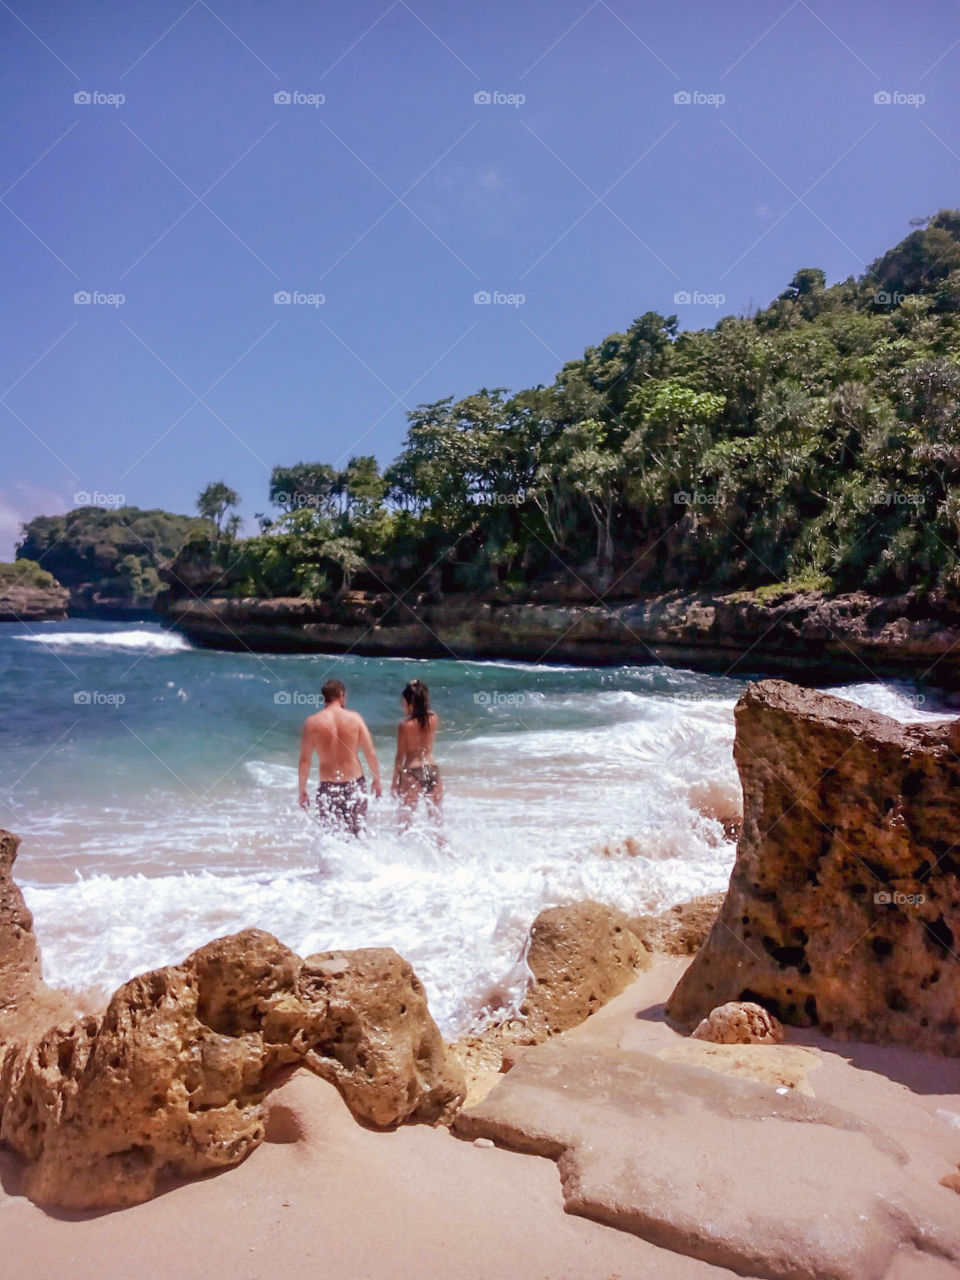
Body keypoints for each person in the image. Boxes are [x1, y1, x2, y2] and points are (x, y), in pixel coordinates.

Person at [298, 678, 382, 836]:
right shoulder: (355, 718)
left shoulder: (312, 723)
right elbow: (370, 752)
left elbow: (305, 761)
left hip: (328, 787)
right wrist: (377, 780)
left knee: (332, 837)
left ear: (324, 698)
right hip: (355, 784)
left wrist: (302, 790)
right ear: (342, 695)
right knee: (359, 834)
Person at [392, 679, 443, 827]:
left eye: (404, 702)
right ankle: (443, 850)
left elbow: (400, 756)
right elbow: (423, 699)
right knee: (436, 822)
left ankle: (404, 850)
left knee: (405, 823)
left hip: (412, 771)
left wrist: (395, 782)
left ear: (410, 704)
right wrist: (417, 686)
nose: (402, 705)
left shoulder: (405, 725)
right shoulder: (433, 719)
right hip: (432, 769)